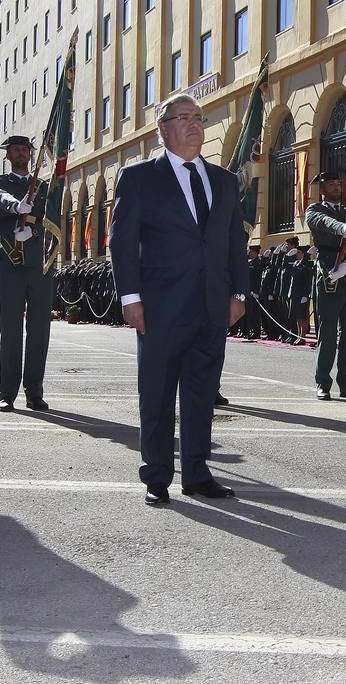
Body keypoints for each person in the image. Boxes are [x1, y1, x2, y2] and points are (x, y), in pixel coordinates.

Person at [108, 93, 248, 505]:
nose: (193, 125)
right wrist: (130, 298)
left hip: (211, 305)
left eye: (199, 118)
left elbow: (234, 242)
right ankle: (156, 476)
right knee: (157, 391)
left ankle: (198, 473)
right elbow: (122, 243)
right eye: (183, 118)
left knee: (201, 392)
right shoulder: (138, 178)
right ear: (162, 129)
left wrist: (238, 292)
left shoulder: (223, 180)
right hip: (159, 306)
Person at [0, 134, 54, 413]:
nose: (20, 153)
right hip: (10, 260)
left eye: (24, 149)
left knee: (39, 330)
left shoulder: (43, 185)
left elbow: (53, 215)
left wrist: (34, 230)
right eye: (15, 149)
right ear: (8, 155)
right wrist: (17, 206)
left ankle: (34, 391)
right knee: (10, 330)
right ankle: (7, 392)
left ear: (30, 153)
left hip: (39, 261)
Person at [305, 170, 346, 401]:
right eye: (330, 185)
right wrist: (341, 228)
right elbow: (322, 223)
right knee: (328, 332)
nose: (335, 187)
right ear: (321, 190)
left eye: (337, 184)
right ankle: (323, 382)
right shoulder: (314, 211)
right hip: (328, 273)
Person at [284, 241, 314, 344]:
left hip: (302, 295)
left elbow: (307, 281)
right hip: (294, 293)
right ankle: (298, 335)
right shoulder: (296, 263)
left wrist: (306, 295)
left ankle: (302, 337)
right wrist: (287, 256)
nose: (296, 254)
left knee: (303, 316)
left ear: (303, 254)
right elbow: (286, 268)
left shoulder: (306, 265)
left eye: (298, 252)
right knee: (297, 316)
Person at [244, 244, 262, 340]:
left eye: (251, 252)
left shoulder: (258, 263)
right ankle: (250, 331)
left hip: (254, 292)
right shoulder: (249, 262)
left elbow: (258, 278)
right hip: (248, 291)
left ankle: (256, 332)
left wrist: (256, 291)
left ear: (255, 252)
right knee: (249, 313)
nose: (249, 253)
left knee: (255, 313)